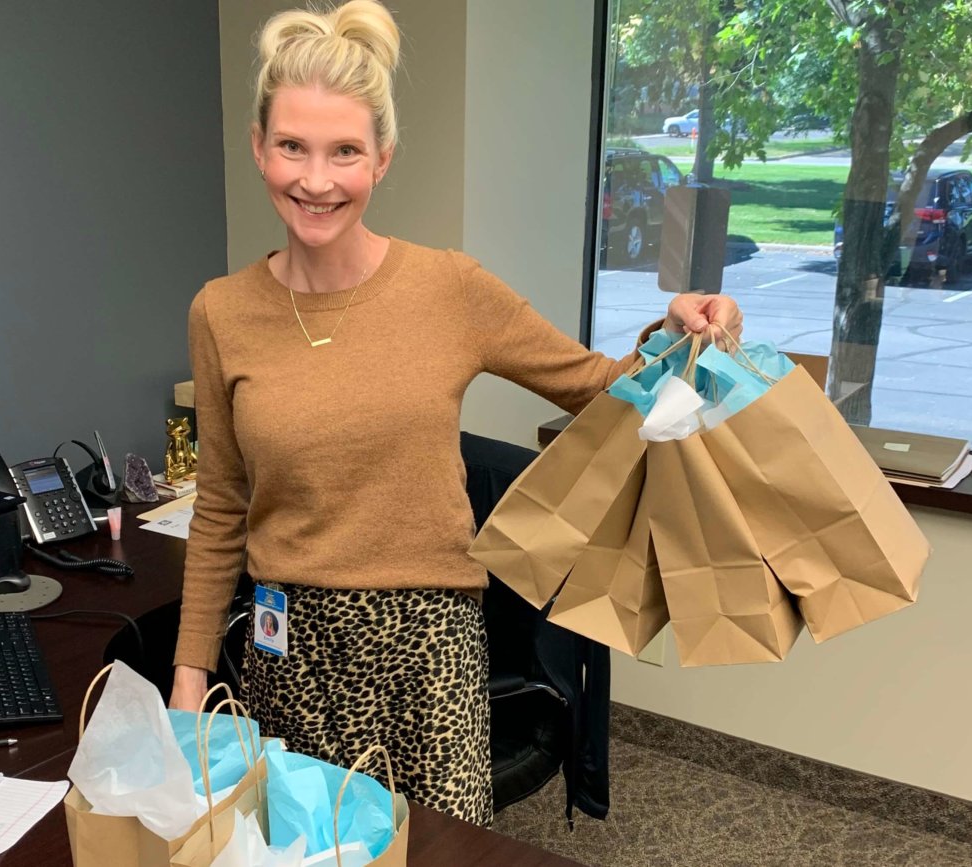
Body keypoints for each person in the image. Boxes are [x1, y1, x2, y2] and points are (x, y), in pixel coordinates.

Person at [170, 0, 744, 826]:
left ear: (383, 159)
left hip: (426, 646)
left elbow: (597, 385)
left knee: (438, 854)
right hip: (288, 651)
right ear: (258, 146)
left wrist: (677, 333)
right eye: (292, 146)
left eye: (345, 152)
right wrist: (190, 676)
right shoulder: (220, 313)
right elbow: (222, 503)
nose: (316, 179)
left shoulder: (448, 289)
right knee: (302, 852)